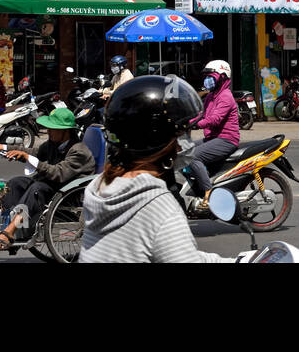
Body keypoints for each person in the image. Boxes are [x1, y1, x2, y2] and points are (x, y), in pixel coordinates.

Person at [81, 75, 230, 262]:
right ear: (160, 141)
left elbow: (176, 255)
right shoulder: (158, 206)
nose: (183, 144)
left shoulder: (101, 187)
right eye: (182, 135)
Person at [0, 107, 95, 249]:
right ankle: (9, 224)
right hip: (52, 188)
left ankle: (10, 232)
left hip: (67, 196)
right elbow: (34, 152)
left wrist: (32, 160)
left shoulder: (79, 151)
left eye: (53, 128)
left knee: (36, 188)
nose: (49, 131)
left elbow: (58, 173)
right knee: (16, 183)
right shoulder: (53, 143)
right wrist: (4, 147)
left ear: (66, 131)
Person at [184, 60, 240, 201]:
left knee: (193, 156)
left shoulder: (226, 96)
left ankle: (208, 193)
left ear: (222, 77)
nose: (207, 80)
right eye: (207, 76)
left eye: (211, 76)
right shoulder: (210, 96)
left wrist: (196, 125)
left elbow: (214, 119)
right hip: (213, 137)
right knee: (182, 150)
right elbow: (200, 114)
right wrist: (184, 121)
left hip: (226, 139)